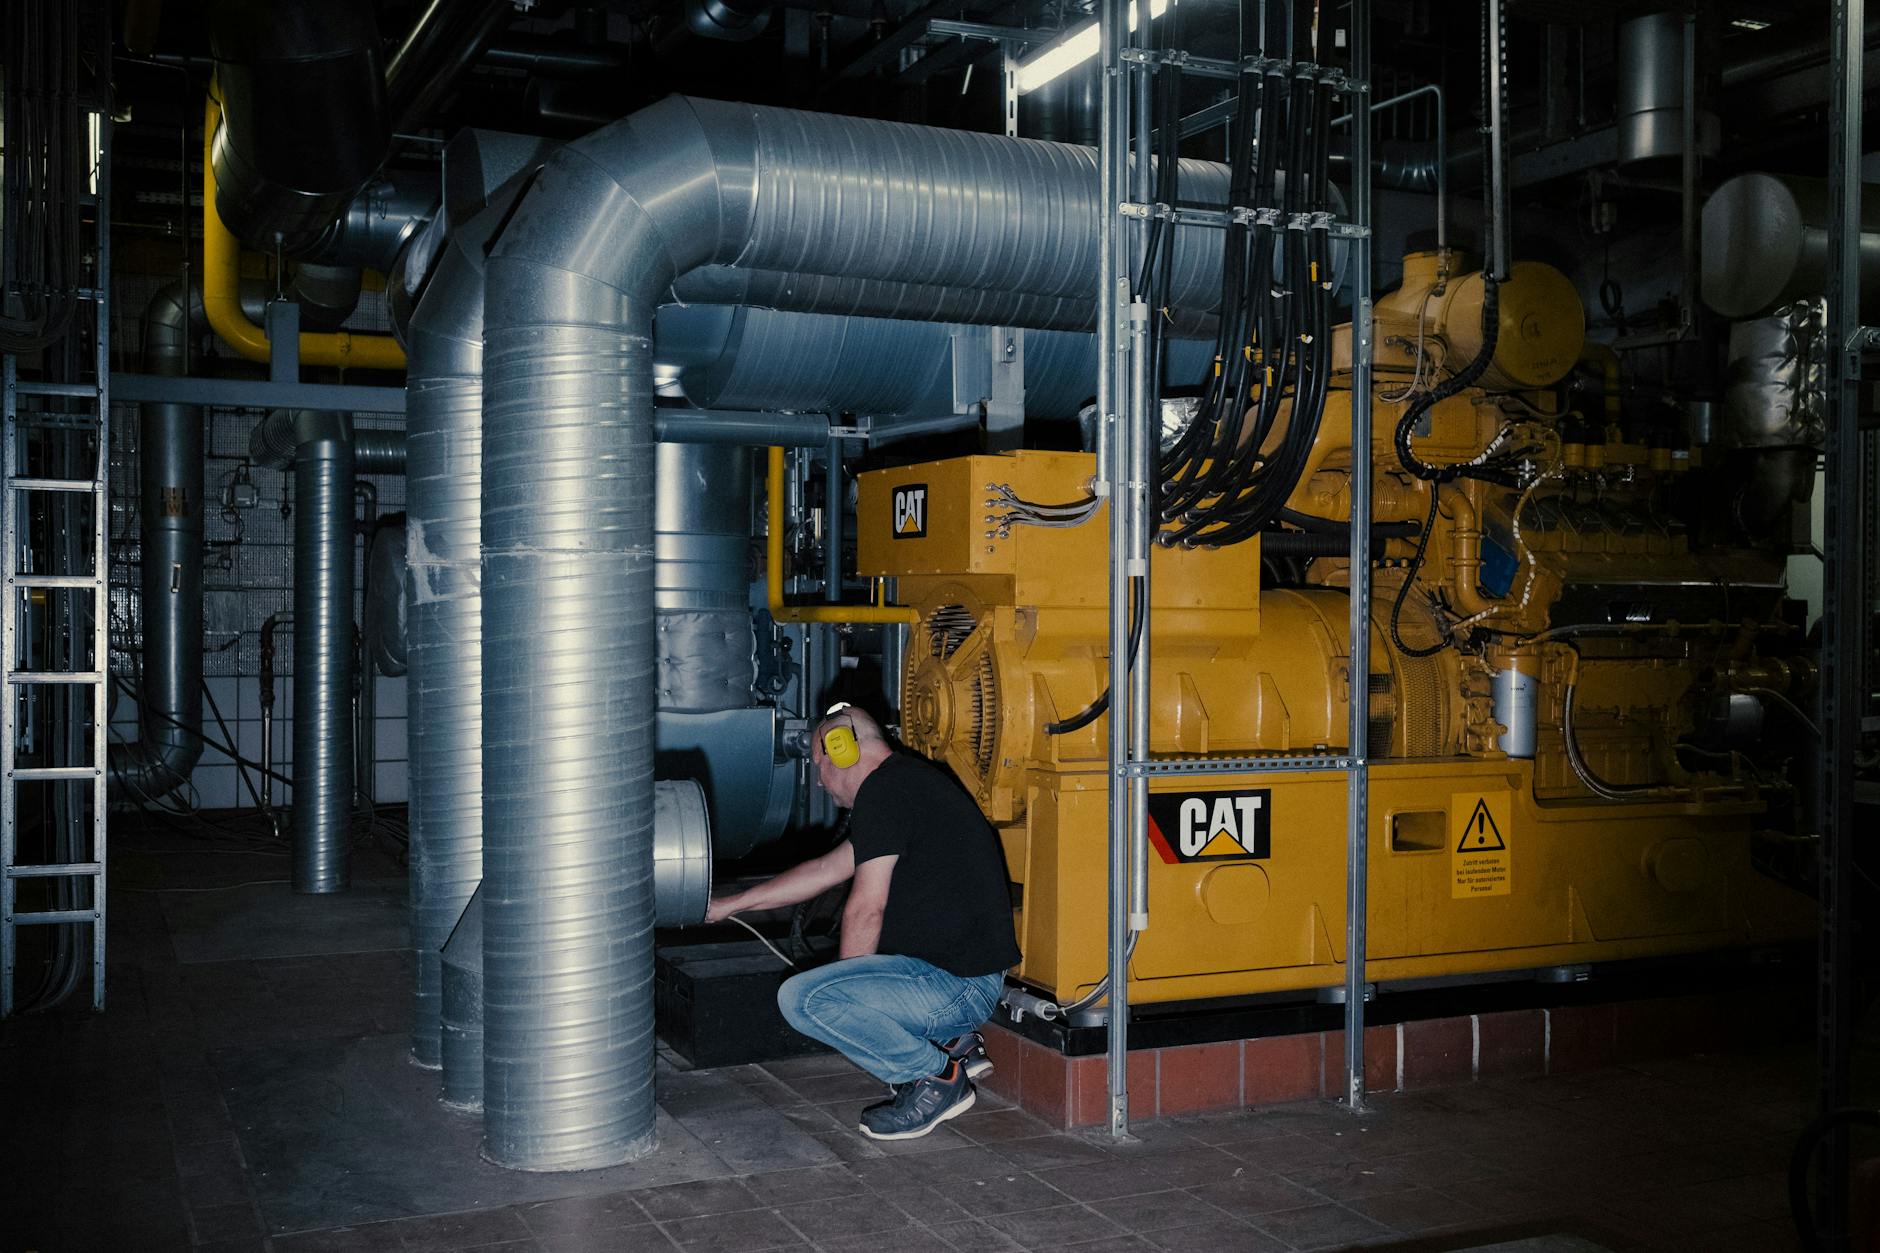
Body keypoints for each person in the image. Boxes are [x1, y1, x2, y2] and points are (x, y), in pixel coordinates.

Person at [704, 702, 1021, 1141]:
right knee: (828, 992)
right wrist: (728, 905)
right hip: (960, 980)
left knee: (805, 1000)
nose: (818, 779)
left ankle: (938, 1079)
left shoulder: (886, 791)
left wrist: (847, 991)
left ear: (843, 749)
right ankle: (953, 1045)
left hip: (956, 988)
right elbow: (821, 872)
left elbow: (864, 909)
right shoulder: (904, 788)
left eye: (819, 764)